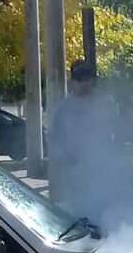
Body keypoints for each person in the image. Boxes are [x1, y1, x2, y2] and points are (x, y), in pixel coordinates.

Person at [46, 60, 121, 212]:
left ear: (92, 80)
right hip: (75, 169)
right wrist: (65, 162)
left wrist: (114, 155)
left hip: (102, 167)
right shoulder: (63, 108)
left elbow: (120, 130)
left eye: (86, 79)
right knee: (79, 210)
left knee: (105, 208)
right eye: (78, 79)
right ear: (72, 81)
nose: (83, 83)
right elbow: (53, 138)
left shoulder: (107, 103)